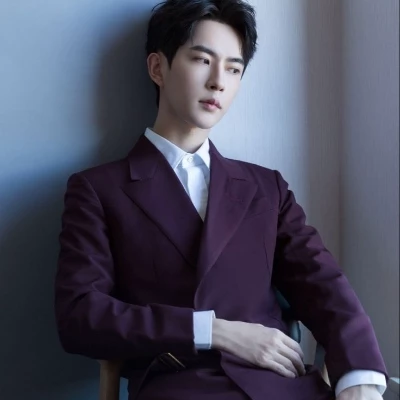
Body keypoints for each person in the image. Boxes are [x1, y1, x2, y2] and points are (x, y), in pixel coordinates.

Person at [54, 1, 388, 399]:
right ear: (158, 68)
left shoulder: (267, 188)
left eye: (233, 69)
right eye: (202, 60)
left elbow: (323, 285)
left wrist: (361, 379)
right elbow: (80, 316)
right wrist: (213, 331)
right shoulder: (98, 190)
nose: (218, 82)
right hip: (183, 387)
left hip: (283, 387)